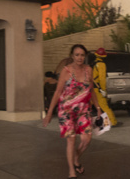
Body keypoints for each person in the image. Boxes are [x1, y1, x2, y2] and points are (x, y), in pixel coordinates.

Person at [43, 44, 102, 179]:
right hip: (66, 111)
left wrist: (98, 107)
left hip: (83, 110)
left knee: (87, 139)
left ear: (85, 56)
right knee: (71, 139)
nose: (79, 57)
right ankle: (72, 171)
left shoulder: (88, 70)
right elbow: (58, 92)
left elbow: (91, 89)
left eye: (82, 55)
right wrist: (49, 113)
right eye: (77, 55)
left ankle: (75, 158)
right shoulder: (66, 71)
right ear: (72, 56)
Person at [92, 48, 119, 127]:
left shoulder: (93, 63)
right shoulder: (101, 65)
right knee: (105, 107)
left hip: (92, 88)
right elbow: (102, 79)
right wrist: (103, 90)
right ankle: (112, 122)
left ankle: (104, 123)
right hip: (98, 89)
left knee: (92, 107)